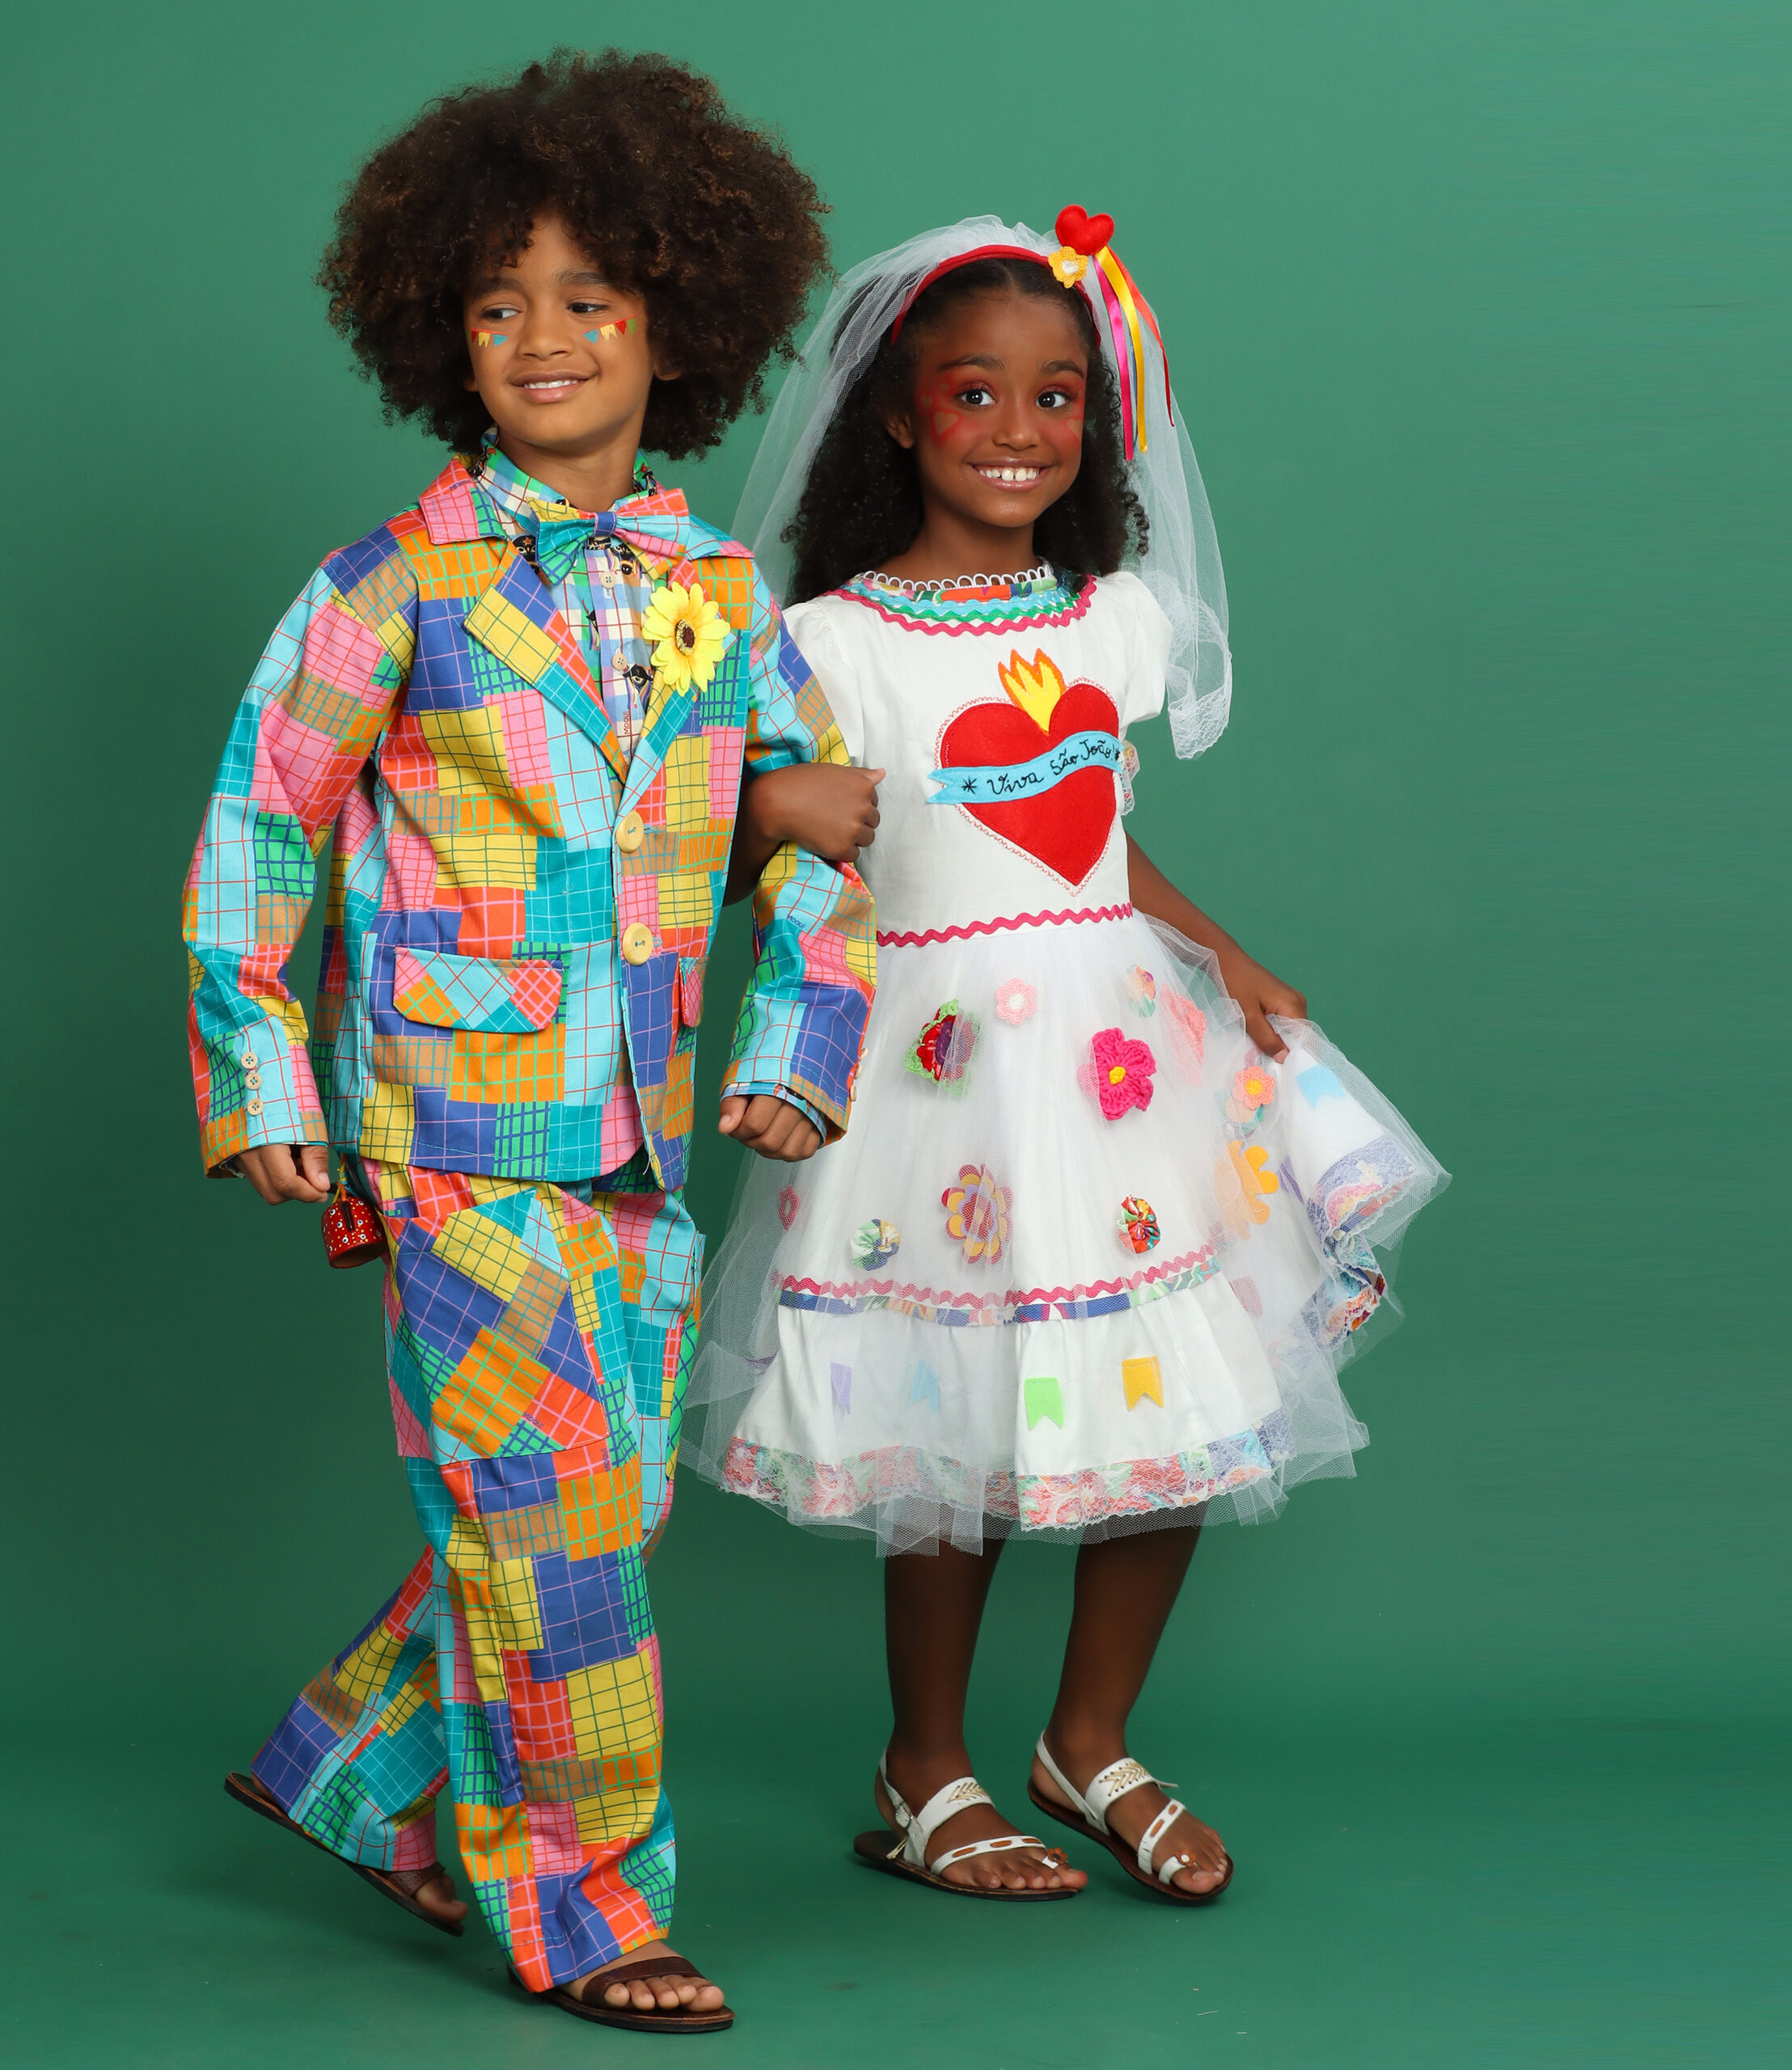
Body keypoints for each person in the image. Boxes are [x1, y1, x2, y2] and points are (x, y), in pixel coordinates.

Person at [181, 53, 873, 2031]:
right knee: (556, 1530)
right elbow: (259, 825)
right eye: (496, 305)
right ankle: (588, 1911)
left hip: (643, 1134)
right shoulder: (389, 582)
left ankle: (356, 1768)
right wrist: (264, 1072)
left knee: (576, 1513)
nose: (543, 337)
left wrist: (798, 1036)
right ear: (442, 337)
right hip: (452, 1128)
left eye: (587, 297)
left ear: (679, 321)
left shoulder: (721, 590)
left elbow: (812, 832)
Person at [691, 212, 1446, 1907]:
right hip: (937, 1074)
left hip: (1121, 1061)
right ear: (897, 418)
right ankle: (924, 1767)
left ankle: (1089, 1740)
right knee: (943, 1420)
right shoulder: (831, 645)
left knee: (1183, 1387)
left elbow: (1086, 832)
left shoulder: (1112, 620)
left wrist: (1218, 946)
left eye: (1056, 396)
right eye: (974, 392)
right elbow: (746, 850)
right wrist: (765, 815)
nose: (1019, 429)